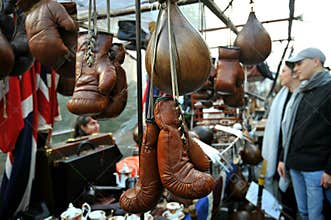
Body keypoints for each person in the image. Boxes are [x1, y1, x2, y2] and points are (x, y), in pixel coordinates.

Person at [277, 47, 331, 220]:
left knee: (316, 216)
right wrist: (284, 158)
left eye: (299, 63)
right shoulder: (302, 91)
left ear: (316, 61)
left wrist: (330, 169)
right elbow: (291, 129)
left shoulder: (328, 89)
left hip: (316, 168)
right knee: (303, 213)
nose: (296, 69)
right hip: (295, 165)